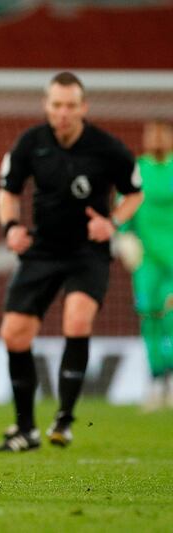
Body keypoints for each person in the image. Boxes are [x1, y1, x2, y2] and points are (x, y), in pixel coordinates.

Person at [0, 71, 143, 452]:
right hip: (43, 249)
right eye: (56, 105)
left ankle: (65, 420)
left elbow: (134, 194)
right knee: (13, 334)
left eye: (71, 106)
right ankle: (25, 429)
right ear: (47, 106)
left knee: (76, 319)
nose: (63, 112)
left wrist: (114, 223)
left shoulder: (108, 148)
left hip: (87, 253)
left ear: (83, 108)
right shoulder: (31, 142)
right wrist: (11, 227)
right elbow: (7, 193)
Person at [114, 119, 173, 410]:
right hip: (147, 261)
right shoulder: (136, 170)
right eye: (153, 134)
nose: (158, 139)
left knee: (171, 319)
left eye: (163, 133)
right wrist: (125, 238)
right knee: (149, 318)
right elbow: (125, 209)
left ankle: (171, 382)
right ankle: (156, 381)